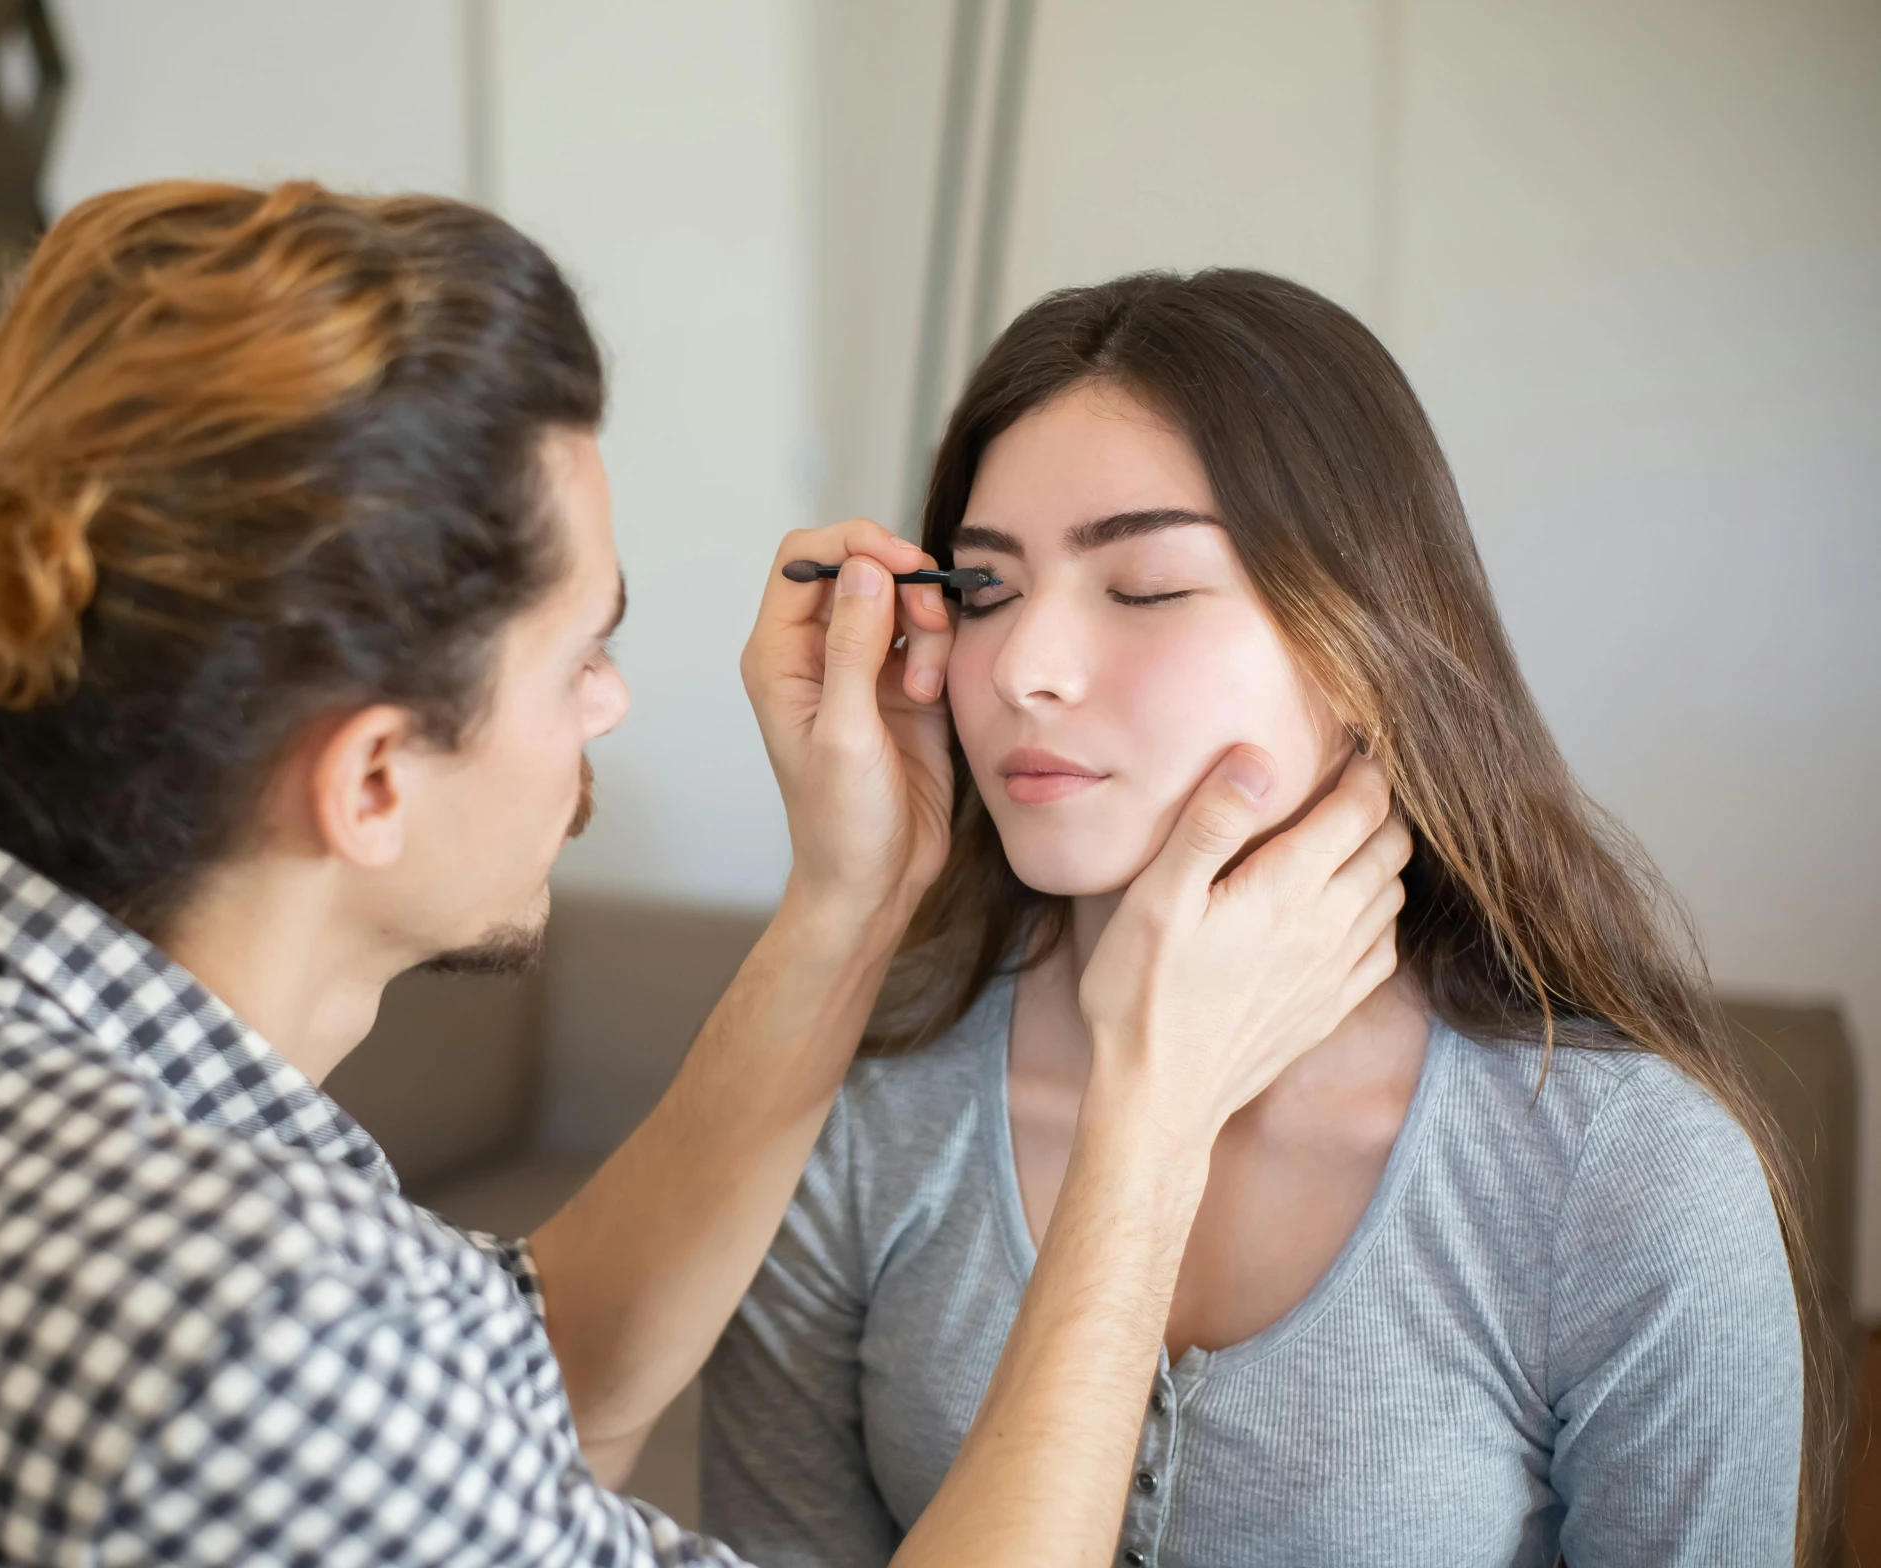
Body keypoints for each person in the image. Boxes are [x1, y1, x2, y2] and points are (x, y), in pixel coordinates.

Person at [0, 187, 1401, 1567]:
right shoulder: (251, 1325)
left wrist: (852, 901)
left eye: (1146, 586)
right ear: (366, 781)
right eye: (580, 648)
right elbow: (352, 1389)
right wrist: (1157, 1104)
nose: (612, 702)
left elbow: (528, 1386)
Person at [699, 268, 1837, 1567]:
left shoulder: (1627, 1183)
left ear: (1369, 645)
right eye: (985, 589)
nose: (1021, 669)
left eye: (1145, 588)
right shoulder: (858, 1121)